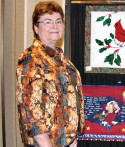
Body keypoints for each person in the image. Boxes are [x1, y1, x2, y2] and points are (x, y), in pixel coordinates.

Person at [16, 1, 85, 147]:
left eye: (58, 21)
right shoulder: (32, 59)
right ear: (36, 27)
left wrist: (72, 140)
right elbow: (30, 111)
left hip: (63, 141)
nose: (54, 26)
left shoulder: (60, 59)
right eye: (48, 22)